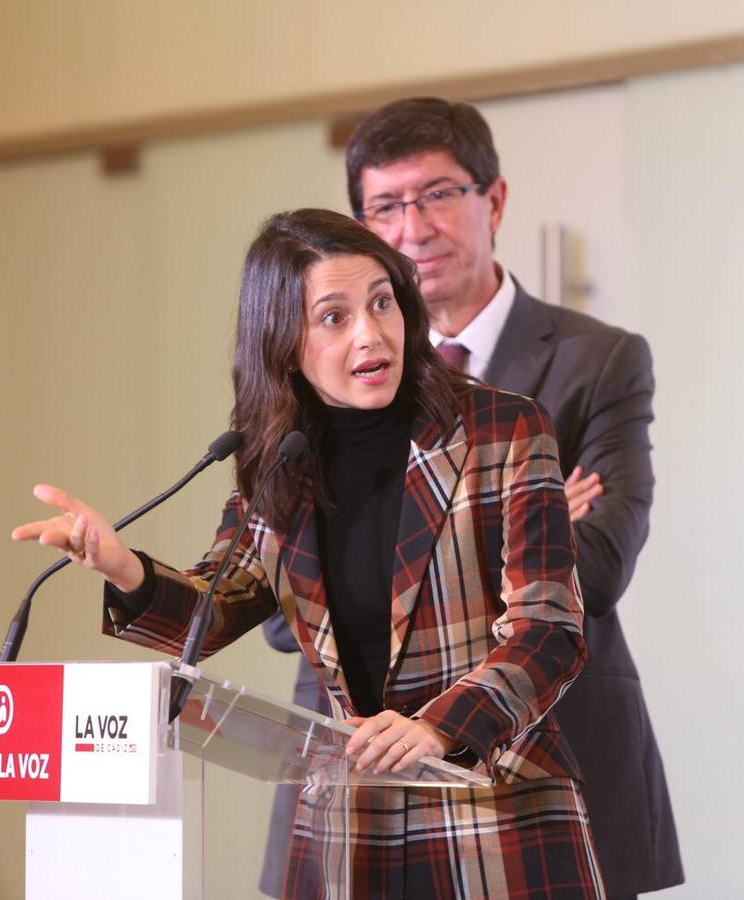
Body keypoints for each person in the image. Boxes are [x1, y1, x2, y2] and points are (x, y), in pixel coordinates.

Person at [12, 208, 605, 898]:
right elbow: (215, 608)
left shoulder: (503, 429)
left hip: (497, 820)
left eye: (382, 302)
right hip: (349, 832)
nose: (370, 333)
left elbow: (549, 631)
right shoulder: (277, 461)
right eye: (334, 317)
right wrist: (120, 565)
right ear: (284, 343)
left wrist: (440, 729)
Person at [262, 98, 682, 898]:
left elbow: (596, 571)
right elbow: (287, 619)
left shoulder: (599, 362)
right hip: (360, 780)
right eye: (384, 206)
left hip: (538, 760)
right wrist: (534, 510)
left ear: (494, 200)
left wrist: (413, 547)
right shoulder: (321, 382)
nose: (411, 227)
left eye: (437, 194)